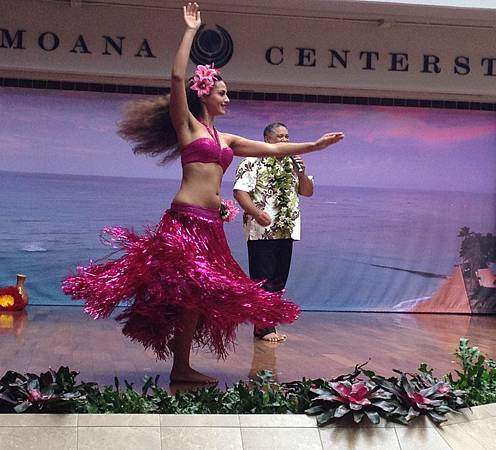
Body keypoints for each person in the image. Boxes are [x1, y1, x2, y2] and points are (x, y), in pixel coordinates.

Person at [62, 3, 344, 384]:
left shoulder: (226, 139)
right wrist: (190, 31)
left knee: (196, 299)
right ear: (206, 94)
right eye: (223, 93)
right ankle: (180, 367)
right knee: (185, 296)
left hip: (211, 227)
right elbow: (177, 78)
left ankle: (182, 368)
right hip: (184, 223)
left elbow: (275, 149)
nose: (228, 100)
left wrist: (315, 147)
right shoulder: (188, 128)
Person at [233, 123, 313, 342]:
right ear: (267, 140)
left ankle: (268, 324)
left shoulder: (291, 163)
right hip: (262, 231)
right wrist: (256, 212)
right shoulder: (252, 160)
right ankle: (264, 327)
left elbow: (307, 191)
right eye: (280, 137)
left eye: (287, 136)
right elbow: (240, 192)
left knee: (278, 281)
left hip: (286, 230)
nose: (285, 141)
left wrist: (302, 172)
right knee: (262, 280)